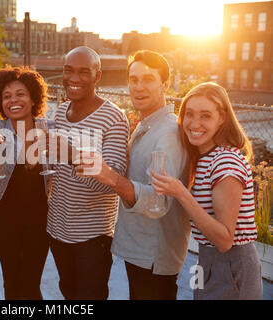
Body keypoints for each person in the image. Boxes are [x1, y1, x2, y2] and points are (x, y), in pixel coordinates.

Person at [75, 50, 190, 300]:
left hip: (154, 258)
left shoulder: (168, 134)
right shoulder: (148, 125)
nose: (138, 87)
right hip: (142, 251)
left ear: (165, 84)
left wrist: (110, 177)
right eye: (133, 79)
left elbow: (159, 201)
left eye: (148, 79)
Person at [151, 82, 262, 300]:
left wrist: (181, 193)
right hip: (206, 259)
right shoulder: (204, 158)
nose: (194, 123)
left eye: (206, 116)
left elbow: (224, 240)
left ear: (222, 118)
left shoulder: (225, 163)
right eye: (189, 114)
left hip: (232, 263)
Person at [46, 46, 129, 300]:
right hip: (57, 230)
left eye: (84, 72)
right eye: (68, 71)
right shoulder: (60, 111)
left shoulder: (114, 118)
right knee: (68, 294)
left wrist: (71, 155)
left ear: (98, 76)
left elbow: (111, 181)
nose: (74, 78)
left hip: (92, 237)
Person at [0, 65, 52, 299]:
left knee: (31, 281)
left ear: (33, 98)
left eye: (20, 94)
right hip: (6, 218)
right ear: (0, 101)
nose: (13, 100)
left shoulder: (47, 128)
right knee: (12, 282)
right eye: (7, 96)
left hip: (41, 219)